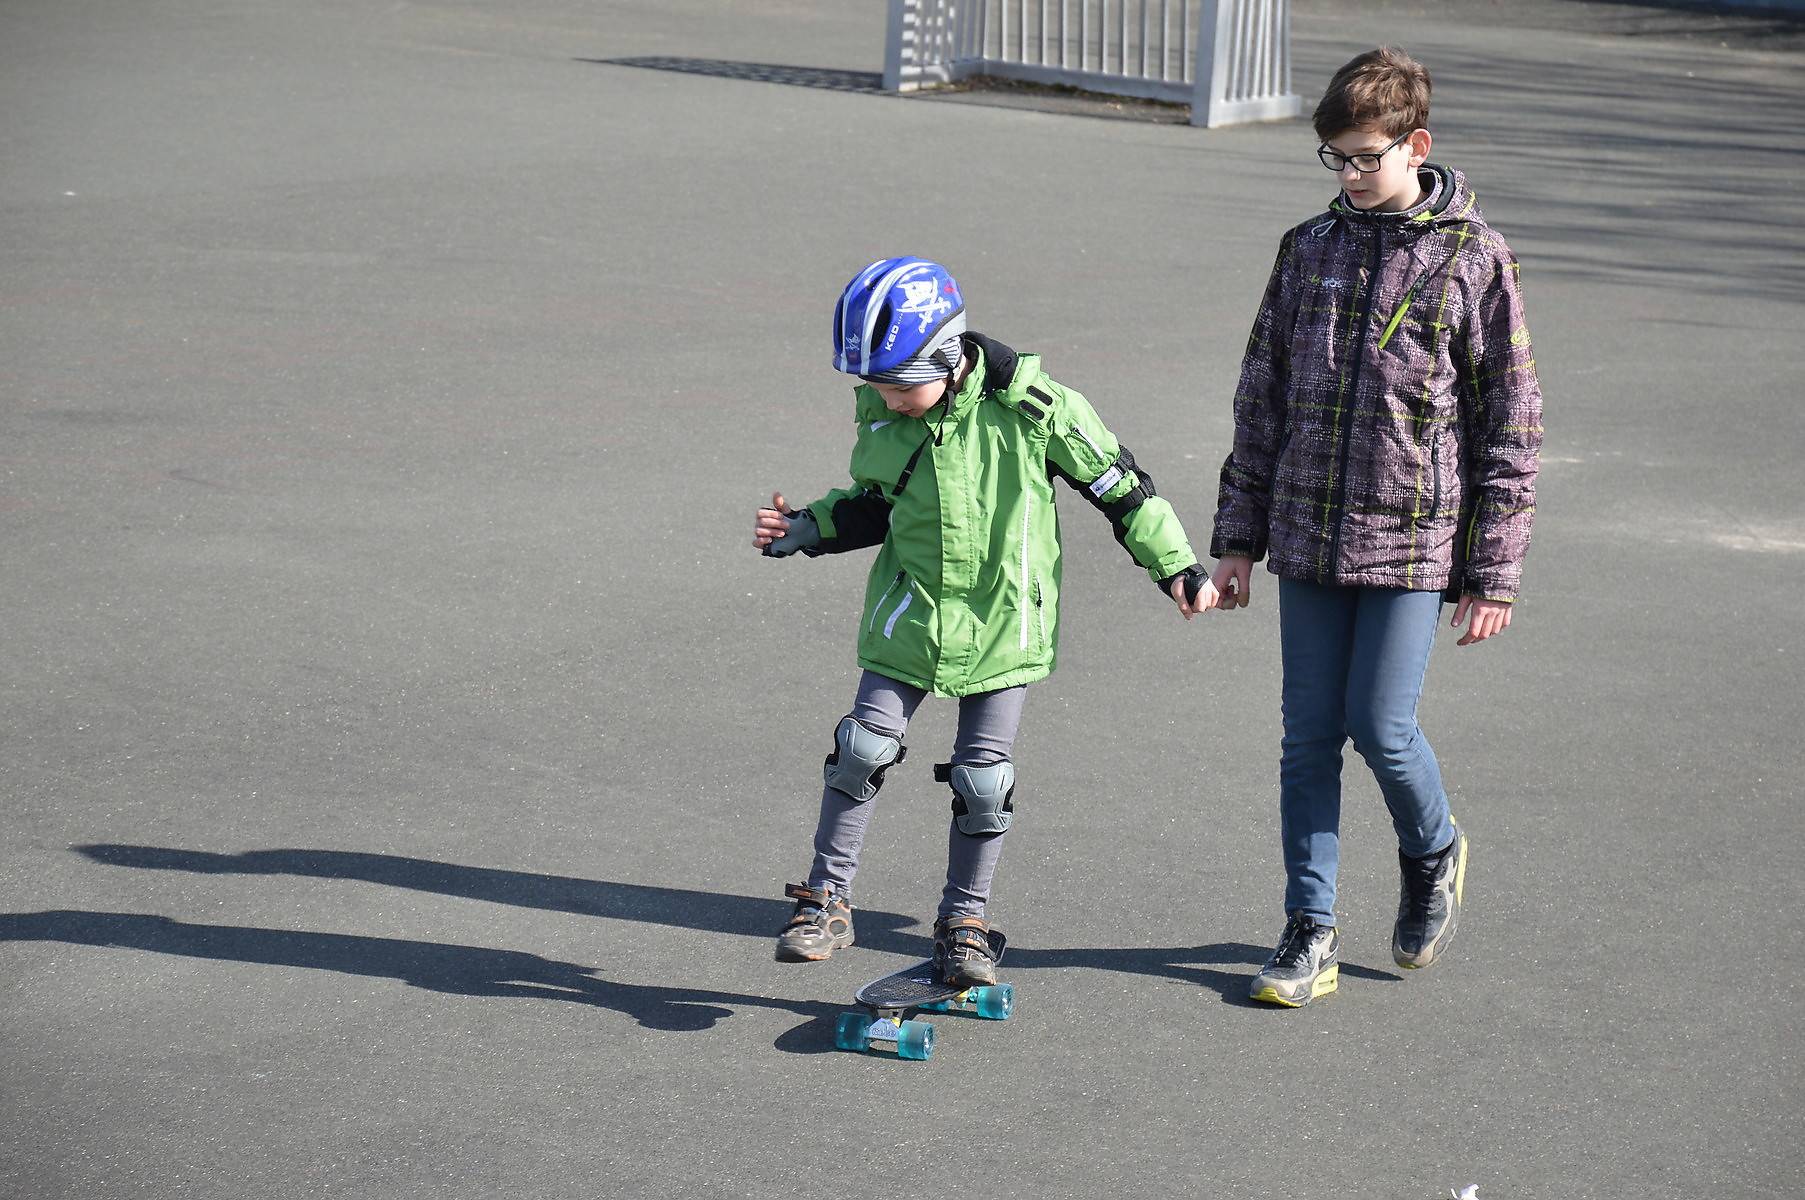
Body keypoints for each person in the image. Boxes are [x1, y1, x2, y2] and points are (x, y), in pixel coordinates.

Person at [756, 256, 1214, 986]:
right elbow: (876, 503)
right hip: (910, 610)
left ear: (946, 356)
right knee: (860, 749)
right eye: (874, 385)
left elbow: (1121, 488)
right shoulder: (885, 410)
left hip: (1006, 619)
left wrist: (1176, 567)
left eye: (899, 384)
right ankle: (825, 901)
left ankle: (963, 923)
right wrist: (808, 527)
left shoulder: (1036, 408)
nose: (886, 398)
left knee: (982, 781)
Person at [1208, 47, 1543, 1007]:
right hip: (1306, 532)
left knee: (1380, 727)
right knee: (1306, 737)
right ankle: (1307, 929)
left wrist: (1492, 573)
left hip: (1413, 539)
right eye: (1337, 158)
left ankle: (1432, 850)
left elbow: (1511, 424)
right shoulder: (1305, 249)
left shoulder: (1473, 257)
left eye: (1366, 156)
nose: (1350, 174)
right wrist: (1237, 538)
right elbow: (1260, 398)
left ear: (1414, 145)